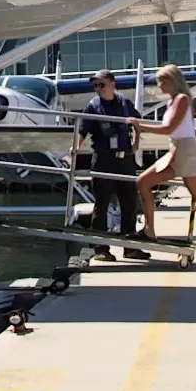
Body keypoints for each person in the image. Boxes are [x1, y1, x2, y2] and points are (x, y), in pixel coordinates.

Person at [125, 64, 196, 268]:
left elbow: (169, 128)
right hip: (175, 151)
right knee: (142, 182)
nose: (159, 84)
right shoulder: (172, 102)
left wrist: (139, 125)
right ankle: (149, 229)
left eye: (162, 80)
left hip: (186, 154)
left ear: (172, 80)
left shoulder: (183, 100)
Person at [70, 69, 150, 261]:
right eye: (95, 85)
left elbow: (138, 122)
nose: (98, 88)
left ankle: (130, 246)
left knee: (129, 202)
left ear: (113, 84)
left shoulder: (124, 103)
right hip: (103, 159)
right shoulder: (93, 106)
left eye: (101, 84)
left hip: (125, 159)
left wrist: (137, 142)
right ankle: (100, 249)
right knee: (102, 205)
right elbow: (83, 130)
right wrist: (75, 148)